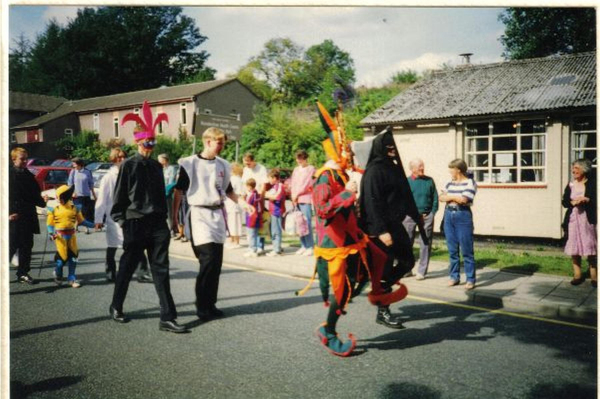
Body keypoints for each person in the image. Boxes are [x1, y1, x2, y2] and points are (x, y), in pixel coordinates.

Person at [109, 100, 188, 333]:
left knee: (161, 270)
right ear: (138, 141)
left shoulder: (156, 166)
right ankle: (116, 306)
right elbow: (118, 200)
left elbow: (159, 195)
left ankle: (167, 317)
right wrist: (124, 223)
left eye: (153, 142)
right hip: (134, 223)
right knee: (127, 267)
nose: (150, 146)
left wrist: (167, 221)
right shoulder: (128, 166)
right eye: (147, 142)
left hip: (156, 225)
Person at [173, 127, 253, 322]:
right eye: (219, 143)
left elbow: (228, 190)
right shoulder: (189, 163)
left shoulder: (223, 165)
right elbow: (179, 191)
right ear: (208, 141)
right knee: (207, 260)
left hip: (217, 214)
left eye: (223, 143)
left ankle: (211, 303)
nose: (222, 147)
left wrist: (244, 204)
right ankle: (201, 305)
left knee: (216, 263)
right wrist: (175, 217)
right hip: (198, 214)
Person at [359, 129, 423, 329]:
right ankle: (383, 310)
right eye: (389, 147)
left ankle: (383, 286)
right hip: (380, 229)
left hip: (395, 224)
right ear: (382, 149)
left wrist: (415, 213)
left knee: (407, 261)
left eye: (394, 147)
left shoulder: (394, 168)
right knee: (384, 268)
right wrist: (381, 231)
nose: (393, 150)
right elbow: (371, 203)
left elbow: (403, 194)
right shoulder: (374, 170)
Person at [9, 147, 47, 284]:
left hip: (28, 216)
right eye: (22, 159)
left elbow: (35, 196)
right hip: (13, 217)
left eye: (26, 158)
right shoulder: (7, 175)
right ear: (13, 159)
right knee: (10, 246)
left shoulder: (29, 175)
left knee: (26, 246)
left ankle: (23, 273)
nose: (25, 161)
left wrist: (43, 202)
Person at [439, 158, 477, 290]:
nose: (450, 173)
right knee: (452, 249)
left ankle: (470, 279)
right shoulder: (450, 182)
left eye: (451, 170)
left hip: (463, 216)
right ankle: (454, 277)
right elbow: (440, 197)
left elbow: (464, 200)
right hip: (449, 216)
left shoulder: (470, 182)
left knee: (466, 250)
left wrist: (450, 197)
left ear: (458, 170)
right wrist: (454, 198)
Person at [47, 185, 96, 288]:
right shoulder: (54, 209)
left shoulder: (75, 208)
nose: (58, 199)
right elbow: (50, 224)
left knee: (73, 259)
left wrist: (95, 225)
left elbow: (82, 221)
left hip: (72, 238)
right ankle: (58, 275)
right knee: (61, 261)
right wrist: (51, 233)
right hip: (60, 238)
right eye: (57, 197)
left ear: (66, 197)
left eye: (60, 197)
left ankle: (71, 279)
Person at [562, 159, 597, 287]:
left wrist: (587, 200)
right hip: (573, 219)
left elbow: (596, 200)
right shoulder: (571, 184)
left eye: (576, 168)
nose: (573, 171)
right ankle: (577, 275)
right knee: (574, 246)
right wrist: (573, 202)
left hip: (587, 219)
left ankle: (594, 276)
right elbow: (565, 202)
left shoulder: (592, 184)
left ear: (584, 169)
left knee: (590, 246)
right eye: (573, 168)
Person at [402, 158, 438, 280]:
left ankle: (422, 271)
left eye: (423, 166)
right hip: (410, 217)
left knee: (425, 244)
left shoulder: (429, 181)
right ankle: (407, 269)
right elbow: (402, 201)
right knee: (407, 243)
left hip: (427, 216)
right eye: (419, 167)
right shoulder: (406, 182)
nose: (422, 169)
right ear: (412, 169)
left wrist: (432, 213)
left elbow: (435, 198)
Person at [94, 148, 127, 282]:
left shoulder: (128, 174)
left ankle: (137, 271)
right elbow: (101, 199)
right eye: (119, 157)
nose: (123, 159)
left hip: (128, 216)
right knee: (113, 245)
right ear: (114, 159)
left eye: (124, 157)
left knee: (131, 245)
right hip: (113, 216)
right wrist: (98, 218)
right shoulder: (108, 177)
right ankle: (110, 270)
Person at [291, 150, 316, 256]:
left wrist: (297, 194)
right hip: (296, 199)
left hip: (305, 198)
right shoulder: (296, 170)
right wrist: (293, 195)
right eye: (298, 158)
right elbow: (293, 182)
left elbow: (307, 184)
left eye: (301, 158)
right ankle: (303, 245)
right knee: (299, 222)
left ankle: (310, 246)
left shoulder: (311, 169)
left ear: (305, 158)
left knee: (307, 222)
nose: (299, 161)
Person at [68, 157, 95, 233]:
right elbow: (70, 183)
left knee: (85, 212)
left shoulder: (87, 172)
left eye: (74, 164)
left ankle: (86, 228)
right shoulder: (73, 172)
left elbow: (91, 183)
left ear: (79, 164)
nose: (73, 165)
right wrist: (72, 193)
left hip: (86, 195)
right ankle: (76, 226)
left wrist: (94, 194)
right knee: (78, 212)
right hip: (77, 196)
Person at [265, 168, 286, 256]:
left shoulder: (280, 186)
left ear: (274, 178)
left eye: (269, 178)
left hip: (277, 211)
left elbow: (276, 197)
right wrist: (269, 195)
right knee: (274, 230)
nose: (268, 180)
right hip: (273, 211)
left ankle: (276, 249)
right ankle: (277, 247)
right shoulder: (275, 186)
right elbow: (266, 194)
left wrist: (269, 195)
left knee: (276, 230)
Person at [224, 163, 244, 249]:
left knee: (234, 223)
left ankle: (236, 242)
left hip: (234, 204)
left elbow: (237, 192)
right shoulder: (236, 179)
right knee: (231, 223)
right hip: (231, 204)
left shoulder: (235, 179)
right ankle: (232, 240)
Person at [158, 153, 177, 235]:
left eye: (160, 160)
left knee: (169, 212)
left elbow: (172, 181)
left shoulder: (171, 169)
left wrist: (166, 191)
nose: (159, 162)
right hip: (159, 193)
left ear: (165, 160)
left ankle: (171, 229)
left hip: (168, 194)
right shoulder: (160, 169)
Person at [243, 178, 263, 257]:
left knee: (251, 234)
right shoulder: (256, 194)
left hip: (252, 216)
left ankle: (252, 249)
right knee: (254, 233)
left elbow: (250, 206)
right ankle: (252, 247)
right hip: (255, 216)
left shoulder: (252, 195)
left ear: (249, 186)